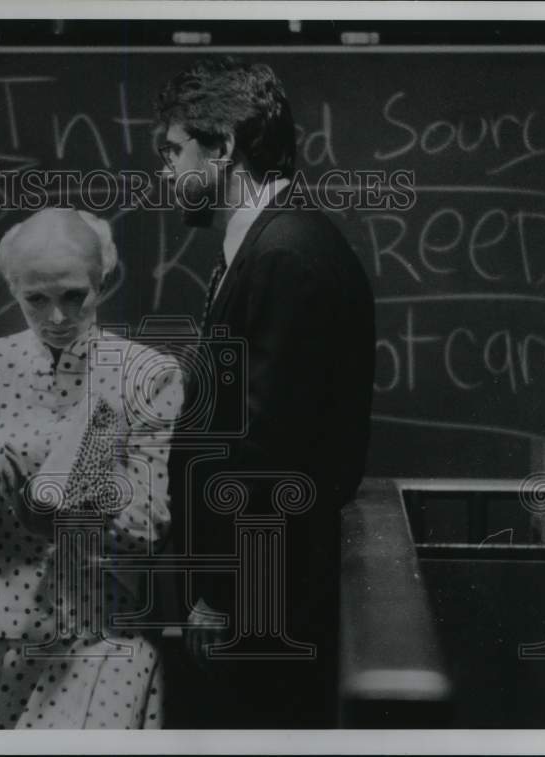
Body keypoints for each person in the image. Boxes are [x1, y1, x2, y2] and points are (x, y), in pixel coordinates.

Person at [156, 57, 376, 728]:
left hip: (263, 605)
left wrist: (222, 594)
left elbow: (265, 449)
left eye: (173, 150)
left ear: (222, 147)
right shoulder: (282, 242)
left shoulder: (284, 253)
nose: (164, 172)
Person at [0, 207, 183, 729]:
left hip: (106, 628)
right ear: (14, 290)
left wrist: (78, 483)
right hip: (2, 629)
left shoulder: (147, 374)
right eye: (36, 299)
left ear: (102, 280)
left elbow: (147, 528)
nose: (56, 317)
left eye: (74, 295)